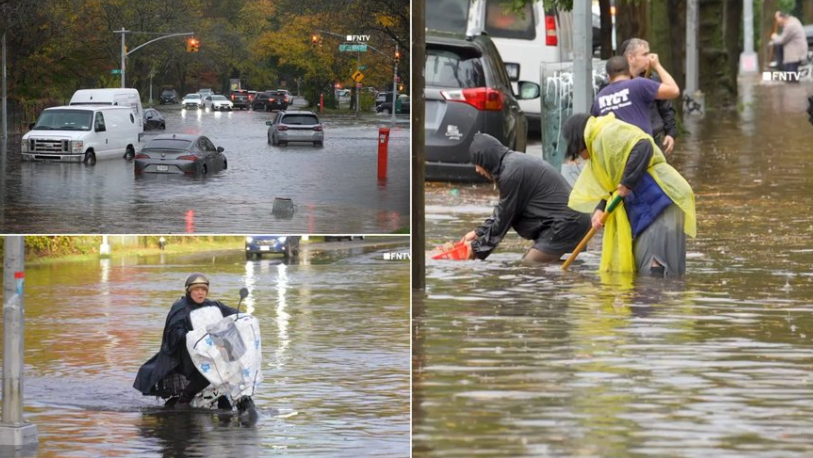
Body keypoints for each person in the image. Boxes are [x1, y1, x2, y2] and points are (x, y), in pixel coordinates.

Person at [562, 112, 696, 276]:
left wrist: (627, 182)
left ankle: (660, 300)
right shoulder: (598, 149)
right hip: (645, 207)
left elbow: (643, 145)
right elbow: (612, 184)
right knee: (643, 267)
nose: (581, 158)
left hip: (660, 201)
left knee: (655, 265)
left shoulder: (607, 132)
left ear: (579, 141)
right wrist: (600, 209)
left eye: (577, 152)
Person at [133, 274, 255, 414]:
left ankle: (227, 401)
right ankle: (184, 399)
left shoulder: (213, 305)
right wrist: (189, 336)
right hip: (187, 355)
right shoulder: (180, 308)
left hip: (212, 351)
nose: (200, 292)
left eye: (203, 289)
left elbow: (231, 313)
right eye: (196, 289)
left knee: (232, 366)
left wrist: (245, 317)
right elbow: (173, 332)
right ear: (189, 291)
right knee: (208, 370)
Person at [461, 133, 591, 263]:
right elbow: (503, 211)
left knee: (530, 265)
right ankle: (577, 276)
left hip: (567, 222)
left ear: (485, 159)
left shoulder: (510, 174)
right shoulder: (511, 164)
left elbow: (505, 218)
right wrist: (478, 233)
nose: (477, 169)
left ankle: (581, 277)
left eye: (477, 163)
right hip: (567, 220)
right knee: (545, 268)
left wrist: (475, 248)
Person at [592, 43, 680, 153]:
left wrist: (670, 132)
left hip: (649, 141)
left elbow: (666, 108)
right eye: (645, 54)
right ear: (630, 58)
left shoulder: (651, 80)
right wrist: (657, 65)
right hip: (636, 147)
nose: (650, 57)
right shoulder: (639, 84)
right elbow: (674, 90)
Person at [771, 12, 809, 81]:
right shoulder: (793, 20)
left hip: (794, 56)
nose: (778, 23)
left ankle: (793, 90)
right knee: (790, 76)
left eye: (777, 20)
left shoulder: (790, 26)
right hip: (795, 54)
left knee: (791, 78)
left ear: (782, 18)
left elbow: (782, 40)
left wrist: (774, 37)